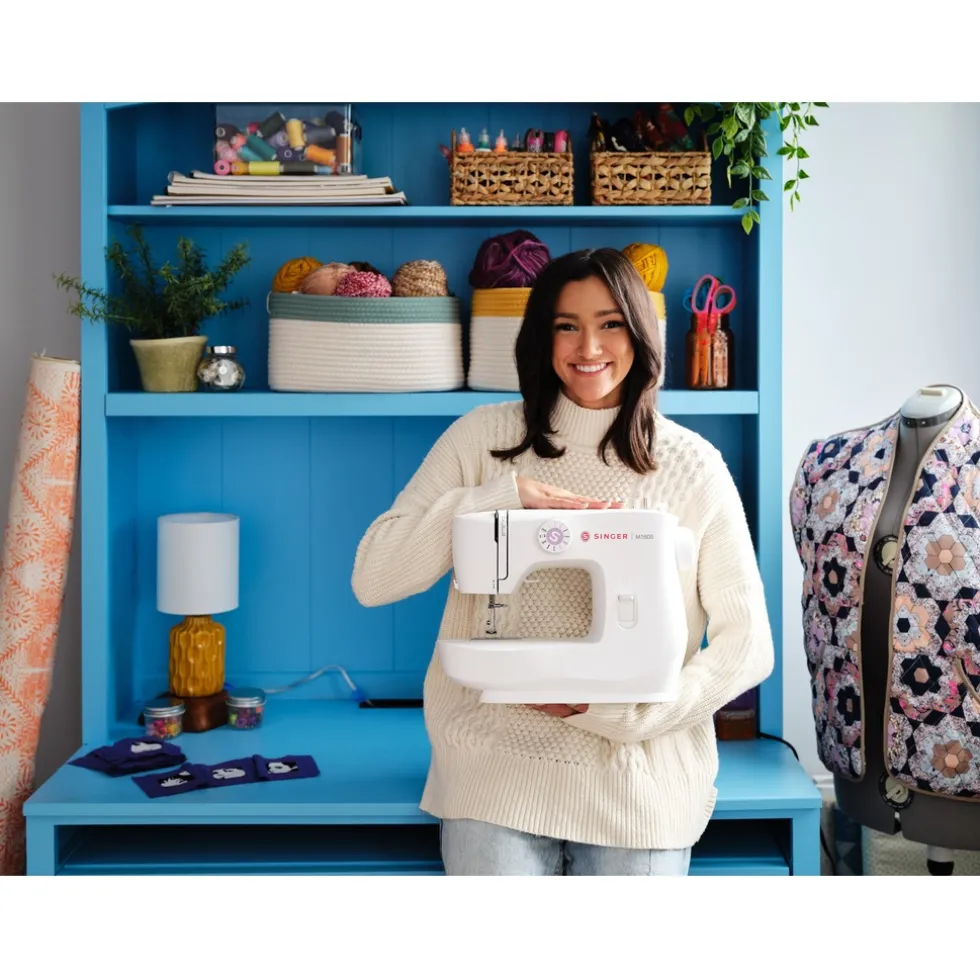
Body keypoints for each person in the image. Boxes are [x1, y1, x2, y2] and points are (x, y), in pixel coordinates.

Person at [351, 248, 773, 875]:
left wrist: (630, 715)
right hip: (494, 774)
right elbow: (374, 576)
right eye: (566, 325)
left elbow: (748, 644)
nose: (588, 347)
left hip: (637, 778)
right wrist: (497, 499)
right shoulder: (481, 441)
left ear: (640, 332)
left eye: (610, 324)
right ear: (541, 338)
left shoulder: (692, 466)